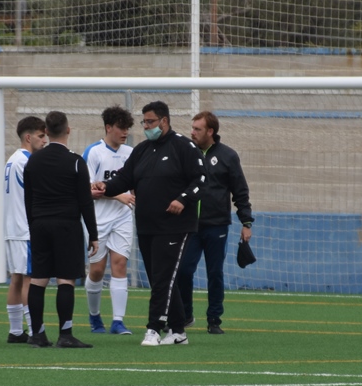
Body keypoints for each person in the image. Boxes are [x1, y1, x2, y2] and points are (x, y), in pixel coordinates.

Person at [93, 101, 207, 347]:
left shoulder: (183, 146)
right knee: (159, 279)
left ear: (164, 121)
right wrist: (105, 186)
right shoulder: (142, 150)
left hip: (174, 226)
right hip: (146, 225)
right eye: (144, 121)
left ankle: (154, 328)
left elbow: (201, 179)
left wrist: (182, 199)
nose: (145, 126)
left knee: (163, 278)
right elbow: (124, 179)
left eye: (150, 121)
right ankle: (178, 331)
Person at [22, 110, 99, 349]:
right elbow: (85, 201)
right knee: (66, 279)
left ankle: (37, 334)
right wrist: (93, 234)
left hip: (40, 225)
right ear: (68, 130)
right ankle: (65, 334)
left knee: (38, 279)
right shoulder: (75, 161)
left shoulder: (33, 160)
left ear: (46, 132)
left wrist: (33, 225)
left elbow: (28, 199)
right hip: (66, 225)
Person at [179, 111, 253, 335]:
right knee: (183, 270)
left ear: (210, 131)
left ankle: (214, 319)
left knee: (215, 273)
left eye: (197, 129)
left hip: (217, 225)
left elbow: (240, 191)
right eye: (192, 128)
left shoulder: (228, 156)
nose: (192, 132)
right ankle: (186, 315)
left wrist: (246, 222)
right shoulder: (186, 153)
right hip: (189, 225)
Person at [83, 105, 135, 336]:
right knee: (96, 270)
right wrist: (117, 195)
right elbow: (86, 188)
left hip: (123, 216)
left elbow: (134, 185)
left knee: (120, 264)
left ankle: (118, 321)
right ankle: (94, 316)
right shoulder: (94, 152)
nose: (125, 132)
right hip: (97, 219)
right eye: (121, 128)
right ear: (108, 127)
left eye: (127, 128)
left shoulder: (130, 153)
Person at [3, 115, 47, 342]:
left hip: (11, 229)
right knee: (30, 279)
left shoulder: (12, 159)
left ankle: (15, 331)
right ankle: (34, 330)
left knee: (17, 279)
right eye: (41, 136)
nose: (45, 140)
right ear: (28, 137)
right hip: (25, 230)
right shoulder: (28, 161)